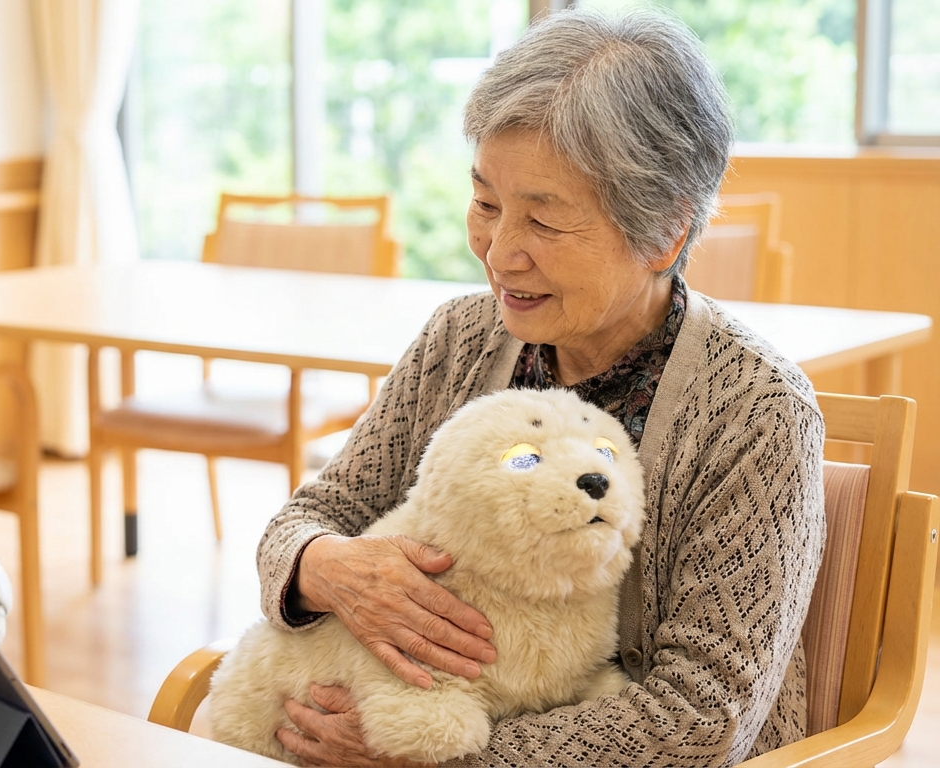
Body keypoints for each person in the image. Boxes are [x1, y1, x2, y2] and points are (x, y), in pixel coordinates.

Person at [258, 9, 825, 766]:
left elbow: (700, 721)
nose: (498, 252)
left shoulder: (757, 412)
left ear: (664, 232)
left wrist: (438, 754)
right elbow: (312, 515)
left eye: (544, 223)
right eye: (486, 203)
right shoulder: (460, 339)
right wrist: (324, 565)